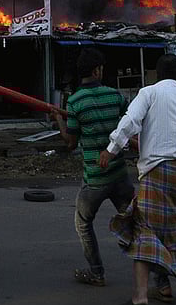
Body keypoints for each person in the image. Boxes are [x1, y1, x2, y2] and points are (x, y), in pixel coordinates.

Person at [99, 53, 176, 305]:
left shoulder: (149, 92)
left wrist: (111, 149)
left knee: (144, 227)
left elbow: (130, 121)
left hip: (159, 167)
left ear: (156, 74)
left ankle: (140, 297)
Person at [51, 48, 133, 287]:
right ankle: (160, 279)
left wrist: (58, 118)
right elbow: (128, 124)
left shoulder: (75, 102)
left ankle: (97, 273)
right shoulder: (115, 96)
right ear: (97, 70)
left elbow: (70, 142)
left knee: (83, 224)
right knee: (135, 224)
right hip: (120, 175)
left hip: (95, 179)